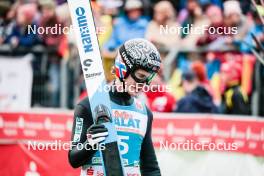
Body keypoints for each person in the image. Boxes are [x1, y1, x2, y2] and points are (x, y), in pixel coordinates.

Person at [69, 39, 161, 176]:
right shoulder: (88, 105)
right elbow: (73, 160)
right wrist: (90, 144)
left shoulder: (144, 112)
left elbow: (150, 167)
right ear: (123, 69)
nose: (144, 84)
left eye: (148, 78)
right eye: (141, 76)